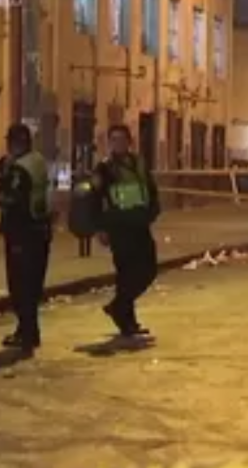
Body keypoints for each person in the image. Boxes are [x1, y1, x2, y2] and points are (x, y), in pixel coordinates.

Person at [90, 124, 161, 338]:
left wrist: (153, 210)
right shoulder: (105, 168)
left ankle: (118, 307)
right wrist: (100, 228)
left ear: (130, 142)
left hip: (139, 223)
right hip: (119, 226)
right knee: (126, 275)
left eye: (122, 139)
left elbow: (149, 188)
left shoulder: (138, 162)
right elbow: (95, 199)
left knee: (149, 270)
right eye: (114, 140)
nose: (118, 144)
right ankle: (127, 321)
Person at [0, 123, 52, 353]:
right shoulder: (37, 160)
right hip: (40, 229)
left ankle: (27, 333)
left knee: (20, 286)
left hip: (22, 232)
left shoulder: (19, 169)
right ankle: (28, 331)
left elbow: (13, 198)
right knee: (33, 284)